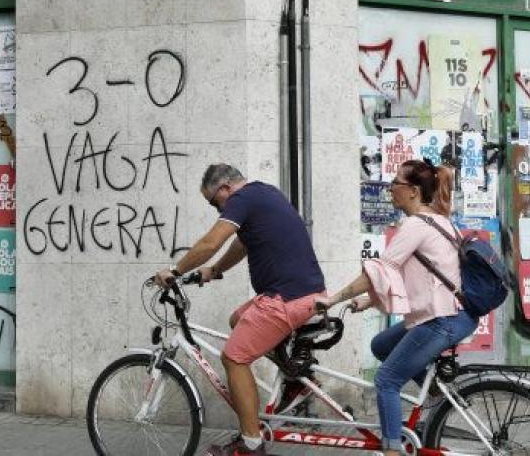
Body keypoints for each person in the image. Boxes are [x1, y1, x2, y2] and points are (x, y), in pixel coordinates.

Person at [155, 163, 327, 456]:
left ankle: (251, 443)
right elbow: (241, 244)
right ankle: (294, 380)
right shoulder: (265, 193)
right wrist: (215, 270)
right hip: (304, 292)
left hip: (285, 298)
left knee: (234, 358)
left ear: (225, 188)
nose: (217, 210)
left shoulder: (242, 198)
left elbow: (211, 242)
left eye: (214, 203)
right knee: (238, 320)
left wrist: (175, 270)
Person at [322, 159, 478, 456]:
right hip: (456, 315)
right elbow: (413, 276)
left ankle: (392, 450)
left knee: (387, 380)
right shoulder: (441, 222)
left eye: (395, 183)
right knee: (381, 345)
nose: (390, 189)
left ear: (413, 191)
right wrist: (369, 300)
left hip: (442, 319)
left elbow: (379, 270)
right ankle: (436, 391)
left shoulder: (416, 225)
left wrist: (333, 299)